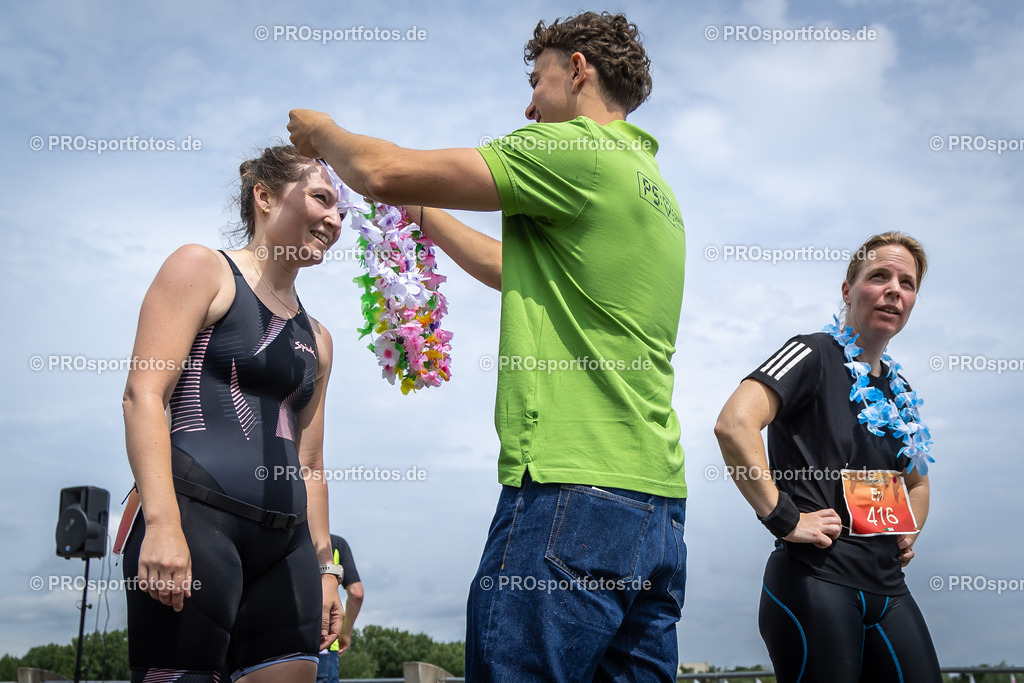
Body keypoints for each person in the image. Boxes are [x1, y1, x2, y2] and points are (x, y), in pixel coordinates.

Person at [288, 11, 687, 681]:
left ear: (579, 69)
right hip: (655, 513)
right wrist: (429, 217)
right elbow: (516, 270)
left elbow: (382, 171)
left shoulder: (575, 150)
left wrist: (322, 131)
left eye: (539, 80)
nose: (530, 104)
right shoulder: (652, 186)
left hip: (568, 494)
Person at [121, 145, 345, 683]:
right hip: (196, 525)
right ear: (264, 198)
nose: (335, 220)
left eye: (342, 210)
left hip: (286, 549)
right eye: (321, 199)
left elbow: (310, 464)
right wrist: (162, 524)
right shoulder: (202, 270)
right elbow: (143, 396)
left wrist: (326, 569)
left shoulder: (319, 339)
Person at [714, 232, 941, 682]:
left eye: (907, 282)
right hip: (815, 580)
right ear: (847, 290)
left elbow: (917, 481)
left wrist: (905, 533)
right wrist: (785, 517)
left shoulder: (903, 395)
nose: (895, 289)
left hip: (889, 590)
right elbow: (735, 423)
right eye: (879, 276)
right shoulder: (812, 352)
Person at [316, 535, 364, 683]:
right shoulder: (336, 544)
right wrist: (345, 634)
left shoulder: (283, 534)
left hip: (278, 645)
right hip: (325, 643)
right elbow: (357, 593)